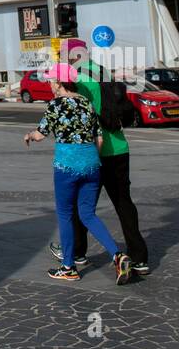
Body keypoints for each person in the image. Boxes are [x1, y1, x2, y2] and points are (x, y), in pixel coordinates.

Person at [24, 63, 131, 285]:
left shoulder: (56, 105)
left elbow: (41, 134)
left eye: (52, 80)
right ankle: (117, 255)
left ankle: (69, 267)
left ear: (60, 82)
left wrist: (29, 136)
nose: (50, 85)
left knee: (65, 214)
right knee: (88, 214)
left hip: (67, 165)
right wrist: (90, 159)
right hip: (92, 164)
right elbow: (99, 138)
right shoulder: (86, 103)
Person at [50, 43, 149, 277]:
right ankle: (139, 257)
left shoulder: (80, 80)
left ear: (74, 56)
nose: (64, 59)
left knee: (79, 204)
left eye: (64, 55)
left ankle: (76, 253)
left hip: (92, 151)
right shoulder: (104, 71)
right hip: (119, 148)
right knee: (124, 203)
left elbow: (76, 116)